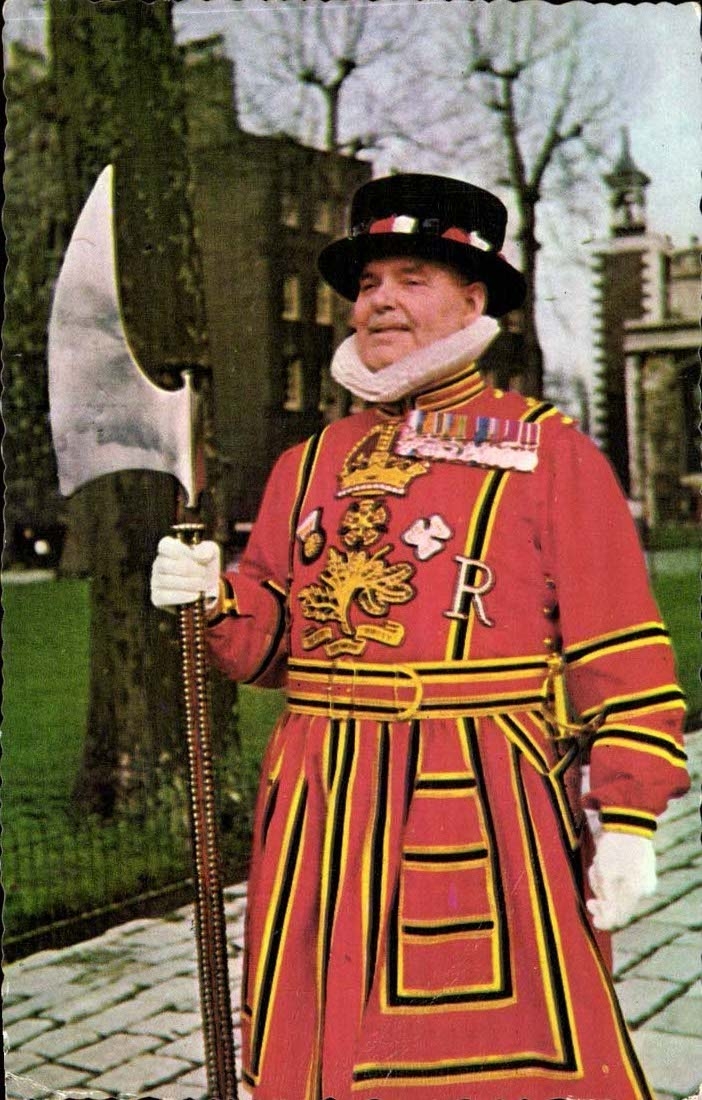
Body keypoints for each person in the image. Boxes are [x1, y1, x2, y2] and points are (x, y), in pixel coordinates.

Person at [151, 174, 689, 1100]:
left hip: (476, 800)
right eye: (367, 285)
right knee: (320, 1056)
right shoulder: (305, 462)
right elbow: (271, 641)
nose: (381, 303)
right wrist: (211, 601)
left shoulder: (547, 448)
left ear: (473, 300)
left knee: (483, 1069)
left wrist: (631, 814)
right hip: (319, 800)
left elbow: (620, 642)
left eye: (412, 279)